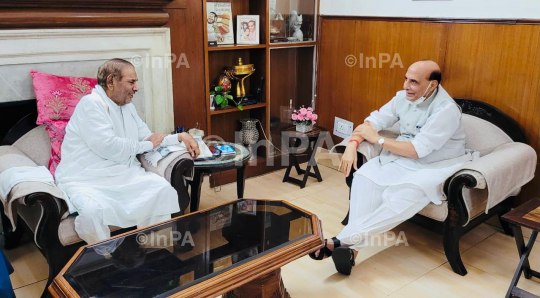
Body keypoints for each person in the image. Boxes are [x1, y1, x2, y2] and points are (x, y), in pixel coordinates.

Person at [311, 60, 475, 275]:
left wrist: (378, 141)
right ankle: (351, 250)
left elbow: (418, 150)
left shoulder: (446, 111)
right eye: (406, 78)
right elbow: (372, 122)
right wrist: (352, 144)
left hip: (435, 166)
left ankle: (340, 240)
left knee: (400, 197)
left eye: (414, 82)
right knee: (364, 177)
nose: (406, 85)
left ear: (432, 85)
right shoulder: (402, 97)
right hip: (402, 157)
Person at [55, 58, 200, 245]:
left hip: (124, 175)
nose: (136, 88)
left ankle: (146, 248)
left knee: (161, 189)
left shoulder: (127, 107)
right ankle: (106, 257)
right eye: (131, 82)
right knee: (92, 213)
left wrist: (180, 137)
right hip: (88, 178)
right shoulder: (91, 104)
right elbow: (110, 147)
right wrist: (147, 144)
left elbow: (147, 138)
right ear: (111, 81)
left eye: (136, 82)